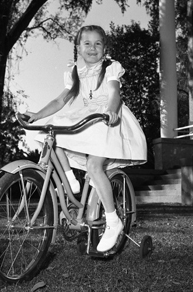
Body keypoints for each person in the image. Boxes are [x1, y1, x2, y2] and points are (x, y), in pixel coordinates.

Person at [25, 25, 147, 252]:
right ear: (78, 48)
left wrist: (110, 111)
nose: (92, 48)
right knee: (53, 131)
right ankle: (71, 179)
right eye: (87, 44)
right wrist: (37, 115)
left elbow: (114, 94)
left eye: (98, 43)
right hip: (85, 116)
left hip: (105, 118)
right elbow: (60, 102)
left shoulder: (110, 68)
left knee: (94, 165)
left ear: (105, 48)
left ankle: (113, 220)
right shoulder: (74, 73)